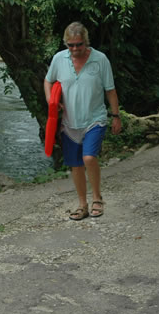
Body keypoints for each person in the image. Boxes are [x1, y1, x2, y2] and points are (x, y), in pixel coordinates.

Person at [44, 22, 122, 220]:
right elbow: (48, 80)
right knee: (76, 165)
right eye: (70, 45)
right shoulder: (59, 59)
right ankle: (82, 204)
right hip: (69, 122)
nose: (75, 49)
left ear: (85, 42)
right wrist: (50, 100)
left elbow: (110, 90)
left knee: (88, 157)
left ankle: (97, 198)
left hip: (94, 119)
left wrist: (115, 116)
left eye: (78, 44)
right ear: (66, 44)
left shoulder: (100, 60)